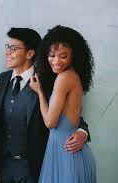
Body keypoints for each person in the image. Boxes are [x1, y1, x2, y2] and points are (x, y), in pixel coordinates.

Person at [0, 27, 90, 183]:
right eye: (7, 47)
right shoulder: (2, 79)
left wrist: (82, 132)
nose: (7, 52)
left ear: (30, 53)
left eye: (13, 48)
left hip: (35, 167)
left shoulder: (48, 80)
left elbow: (72, 113)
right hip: (3, 166)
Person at [30, 25, 96, 183]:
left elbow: (50, 122)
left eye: (63, 56)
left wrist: (39, 92)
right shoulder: (69, 75)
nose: (56, 61)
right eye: (52, 55)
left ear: (73, 57)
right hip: (65, 151)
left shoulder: (64, 78)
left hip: (66, 152)